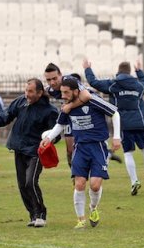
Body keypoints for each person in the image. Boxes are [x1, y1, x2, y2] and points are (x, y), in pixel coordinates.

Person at [0, 78, 59, 227]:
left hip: (36, 152)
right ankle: (33, 215)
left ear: (40, 93)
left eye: (30, 91)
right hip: (19, 148)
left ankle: (41, 214)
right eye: (26, 90)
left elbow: (56, 133)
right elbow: (5, 115)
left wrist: (48, 139)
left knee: (30, 182)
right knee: (22, 185)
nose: (26, 94)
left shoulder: (50, 111)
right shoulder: (20, 102)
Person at [40, 78, 121, 229]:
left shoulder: (93, 101)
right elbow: (61, 124)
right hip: (80, 148)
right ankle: (80, 219)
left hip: (98, 146)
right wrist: (49, 138)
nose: (63, 96)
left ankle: (93, 208)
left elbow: (115, 113)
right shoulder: (67, 108)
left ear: (76, 91)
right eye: (62, 92)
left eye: (66, 92)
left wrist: (117, 137)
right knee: (79, 183)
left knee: (95, 185)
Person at [84, 59, 144, 196]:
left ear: (118, 71)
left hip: (123, 124)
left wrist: (87, 69)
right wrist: (139, 71)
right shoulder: (138, 85)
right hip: (139, 122)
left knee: (128, 153)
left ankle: (134, 181)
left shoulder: (114, 84)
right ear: (130, 71)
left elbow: (94, 82)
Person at [44, 63, 122, 181]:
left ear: (61, 75)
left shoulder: (69, 80)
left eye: (54, 78)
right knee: (70, 151)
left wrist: (69, 106)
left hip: (87, 112)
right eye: (48, 80)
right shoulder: (50, 90)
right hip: (71, 116)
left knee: (86, 145)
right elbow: (60, 123)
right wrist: (48, 138)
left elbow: (86, 95)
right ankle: (77, 176)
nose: (52, 82)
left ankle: (100, 160)